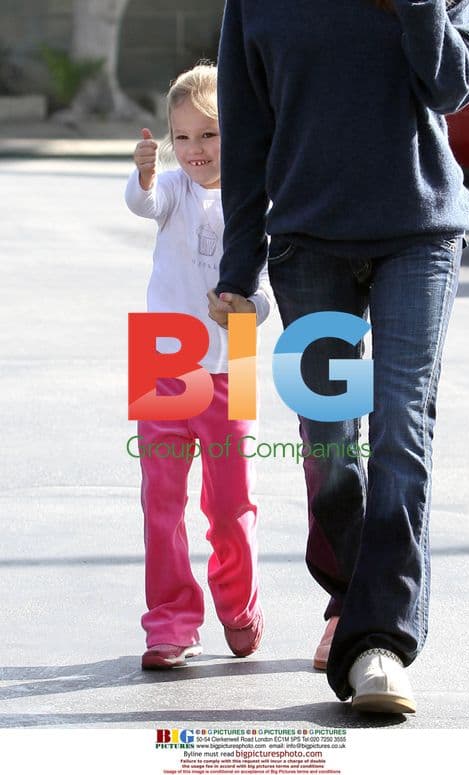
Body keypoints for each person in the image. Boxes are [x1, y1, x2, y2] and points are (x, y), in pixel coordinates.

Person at [211, 0, 469, 712]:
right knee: (330, 445)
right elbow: (246, 134)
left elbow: (454, 86)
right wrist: (238, 265)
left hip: (417, 232)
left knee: (400, 423)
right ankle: (352, 598)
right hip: (308, 244)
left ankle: (380, 644)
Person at [125, 64, 273, 669]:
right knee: (161, 501)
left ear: (235, 134)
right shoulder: (173, 191)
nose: (194, 150)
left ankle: (239, 605)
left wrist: (245, 310)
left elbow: (265, 292)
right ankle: (170, 623)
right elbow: (144, 200)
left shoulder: (254, 198)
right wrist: (143, 171)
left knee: (230, 504)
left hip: (230, 362)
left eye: (208, 135)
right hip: (163, 357)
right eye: (181, 137)